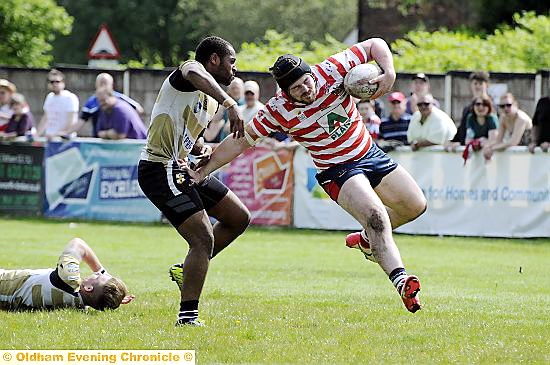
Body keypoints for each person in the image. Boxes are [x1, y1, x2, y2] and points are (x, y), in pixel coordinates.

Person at [186, 38, 427, 314]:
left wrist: (389, 71)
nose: (306, 89)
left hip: (368, 152)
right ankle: (402, 281)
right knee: (376, 216)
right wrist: (204, 170)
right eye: (297, 88)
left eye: (307, 81)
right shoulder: (278, 110)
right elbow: (240, 141)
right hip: (337, 170)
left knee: (415, 205)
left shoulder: (331, 70)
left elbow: (375, 45)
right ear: (285, 92)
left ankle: (366, 240)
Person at [137, 36, 250, 327]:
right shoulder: (190, 71)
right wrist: (230, 103)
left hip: (182, 167)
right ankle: (187, 317)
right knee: (202, 238)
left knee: (238, 217)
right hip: (159, 168)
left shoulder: (209, 101)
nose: (234, 69)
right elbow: (193, 72)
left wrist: (201, 148)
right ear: (214, 60)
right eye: (231, 62)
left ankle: (184, 269)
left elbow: (190, 136)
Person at [0, 238, 134, 311]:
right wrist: (113, 300)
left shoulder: (69, 279)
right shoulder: (80, 305)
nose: (96, 274)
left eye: (98, 276)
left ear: (88, 288)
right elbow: (97, 298)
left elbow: (78, 243)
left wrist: (102, 270)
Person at [72, 73, 144, 137]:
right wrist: (68, 133)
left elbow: (139, 109)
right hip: (102, 138)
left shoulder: (119, 101)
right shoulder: (92, 101)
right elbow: (81, 120)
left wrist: (125, 124)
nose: (103, 86)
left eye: (105, 83)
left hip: (127, 139)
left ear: (111, 85)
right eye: (101, 83)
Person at [483, 92, 532, 160]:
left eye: (508, 105)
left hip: (534, 151)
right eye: (502, 106)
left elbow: (513, 142)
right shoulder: (503, 118)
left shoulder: (521, 118)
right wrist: (487, 146)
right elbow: (498, 140)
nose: (505, 108)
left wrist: (492, 149)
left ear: (515, 104)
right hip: (522, 153)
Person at [36, 69, 79, 138]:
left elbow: (72, 120)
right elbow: (46, 118)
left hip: (65, 139)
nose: (55, 84)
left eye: (57, 81)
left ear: (63, 83)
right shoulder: (49, 97)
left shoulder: (70, 97)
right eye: (52, 82)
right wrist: (37, 135)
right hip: (50, 138)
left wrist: (57, 135)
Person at [453, 71, 490, 145]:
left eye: (480, 84)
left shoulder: (491, 107)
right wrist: (454, 142)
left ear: (486, 85)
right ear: (471, 85)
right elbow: (463, 130)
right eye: (475, 83)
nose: (477, 86)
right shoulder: (467, 109)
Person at [203, 77, 245, 143]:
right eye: (233, 88)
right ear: (229, 90)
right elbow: (215, 120)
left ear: (242, 90)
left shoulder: (246, 104)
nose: (235, 91)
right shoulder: (225, 105)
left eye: (237, 88)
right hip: (224, 139)